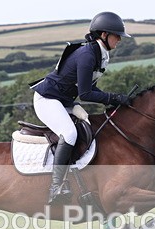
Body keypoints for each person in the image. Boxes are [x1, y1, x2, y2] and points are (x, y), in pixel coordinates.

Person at [31, 11, 133, 205]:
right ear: (104, 34)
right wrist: (113, 98)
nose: (119, 39)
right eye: (117, 35)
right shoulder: (87, 55)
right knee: (69, 133)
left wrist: (114, 99)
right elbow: (85, 94)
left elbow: (90, 88)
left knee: (88, 123)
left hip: (64, 101)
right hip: (47, 99)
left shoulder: (98, 54)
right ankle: (55, 187)